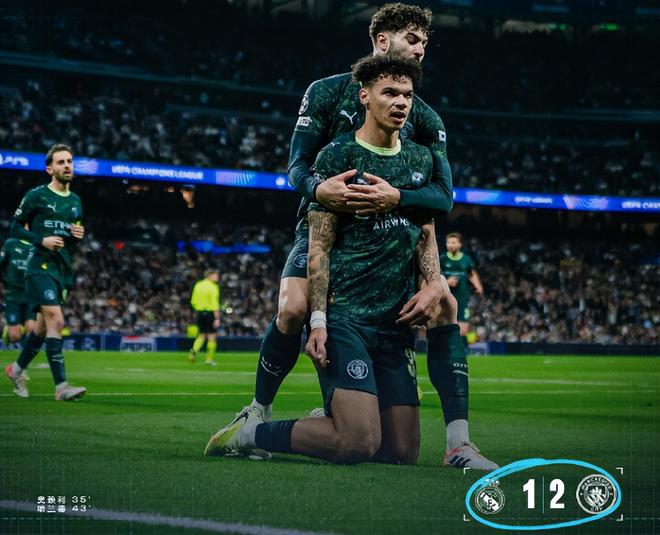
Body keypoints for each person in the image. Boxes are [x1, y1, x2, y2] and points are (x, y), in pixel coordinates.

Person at [225, 3, 497, 469]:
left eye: (425, 43)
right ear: (381, 40)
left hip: (393, 233)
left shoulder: (425, 119)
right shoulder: (327, 93)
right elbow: (296, 166)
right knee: (294, 307)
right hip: (326, 227)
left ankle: (458, 443)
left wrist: (400, 206)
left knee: (445, 304)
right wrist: (318, 188)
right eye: (412, 39)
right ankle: (258, 411)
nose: (421, 49)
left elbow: (440, 198)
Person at [206, 55, 442, 464]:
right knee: (357, 443)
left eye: (407, 95)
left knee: (401, 452)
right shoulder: (337, 155)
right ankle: (249, 434)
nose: (401, 102)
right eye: (390, 93)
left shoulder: (421, 159)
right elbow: (318, 247)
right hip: (346, 317)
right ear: (364, 97)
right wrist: (318, 321)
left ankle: (332, 419)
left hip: (394, 323)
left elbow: (426, 232)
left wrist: (433, 281)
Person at [4, 144, 86, 401]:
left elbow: (71, 240)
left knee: (41, 329)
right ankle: (61, 387)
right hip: (39, 266)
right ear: (50, 169)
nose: (67, 165)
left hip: (61, 269)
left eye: (69, 161)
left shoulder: (76, 202)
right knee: (56, 321)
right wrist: (42, 240)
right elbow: (14, 228)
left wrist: (77, 236)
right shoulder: (36, 195)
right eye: (61, 162)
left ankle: (16, 369)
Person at [441, 232, 484, 345]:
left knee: (463, 328)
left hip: (462, 298)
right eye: (448, 242)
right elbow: (434, 278)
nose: (450, 245)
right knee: (445, 325)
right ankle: (449, 349)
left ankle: (459, 351)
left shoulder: (466, 259)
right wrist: (447, 282)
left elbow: (471, 274)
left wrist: (478, 286)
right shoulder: (442, 259)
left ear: (460, 244)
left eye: (453, 242)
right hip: (445, 299)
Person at [0, 237, 37, 347]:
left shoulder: (38, 245)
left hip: (31, 296)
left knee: (32, 330)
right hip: (13, 296)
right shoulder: (10, 244)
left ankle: (24, 358)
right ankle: (9, 329)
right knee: (15, 337)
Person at [189, 269, 221, 366]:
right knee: (212, 337)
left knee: (201, 335)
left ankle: (193, 351)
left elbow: (193, 301)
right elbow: (214, 303)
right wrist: (217, 318)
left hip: (200, 313)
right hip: (210, 313)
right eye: (215, 275)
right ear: (210, 275)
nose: (217, 277)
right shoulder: (213, 286)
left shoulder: (198, 285)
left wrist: (199, 309)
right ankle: (209, 359)